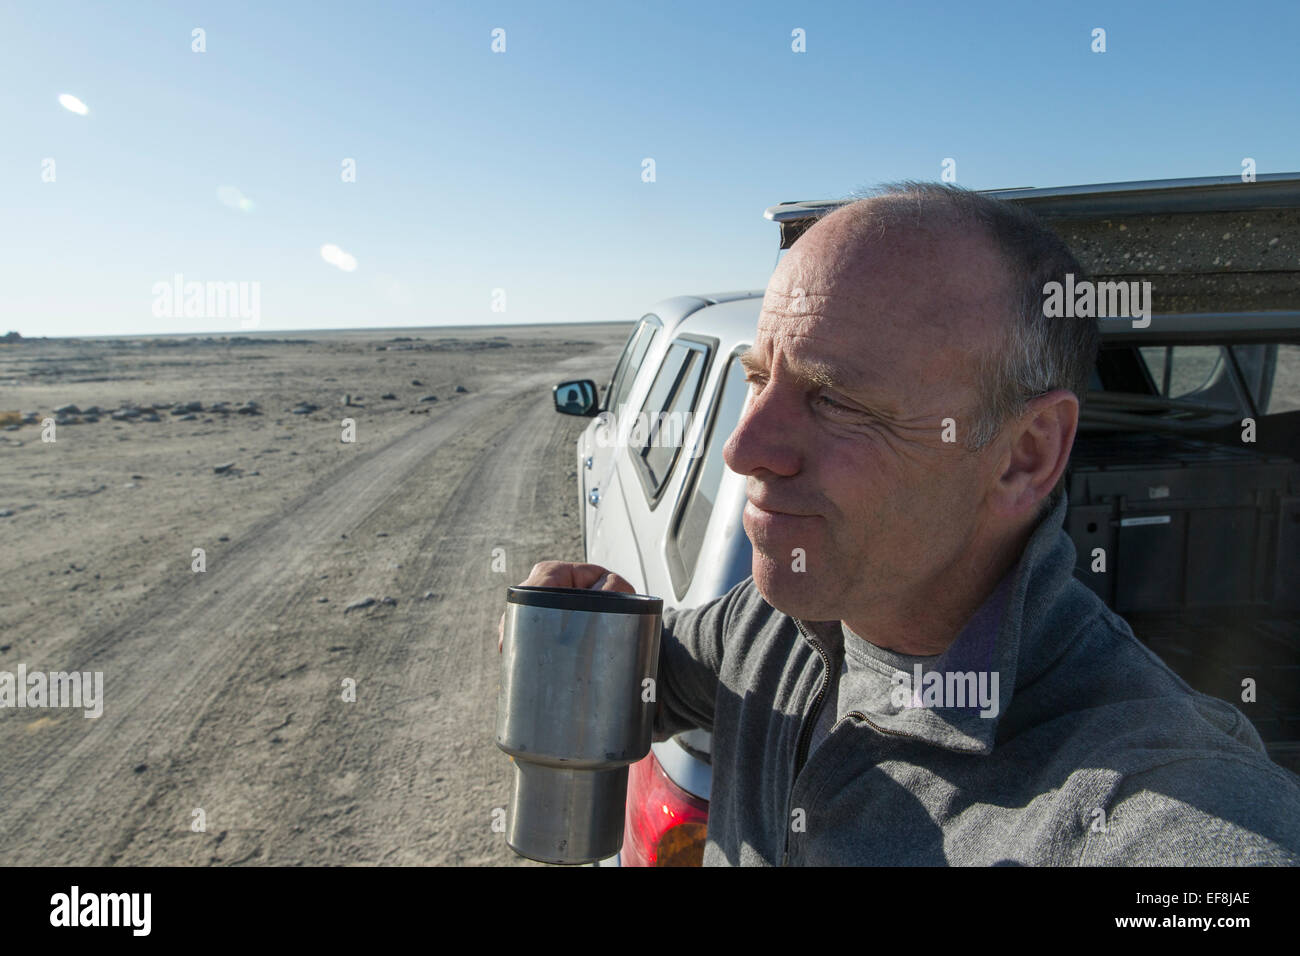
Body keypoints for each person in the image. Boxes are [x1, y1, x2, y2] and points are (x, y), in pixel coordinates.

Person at [501, 182, 1300, 865]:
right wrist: (569, 632)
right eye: (757, 379)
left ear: (1024, 454)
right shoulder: (782, 623)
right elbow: (651, 676)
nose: (743, 450)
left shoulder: (1149, 798)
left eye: (835, 400)